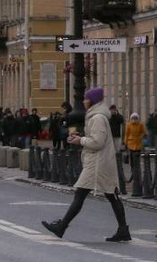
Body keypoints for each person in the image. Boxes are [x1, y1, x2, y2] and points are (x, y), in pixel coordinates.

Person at [41, 87, 131, 242]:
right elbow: (96, 138)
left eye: (86, 98)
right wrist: (82, 136)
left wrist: (80, 140)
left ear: (92, 101)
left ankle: (62, 227)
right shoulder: (97, 117)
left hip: (97, 164)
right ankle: (123, 229)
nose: (83, 101)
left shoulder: (97, 118)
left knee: (81, 194)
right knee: (111, 195)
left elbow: (97, 142)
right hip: (101, 162)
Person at [124, 112, 146, 179]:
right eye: (133, 118)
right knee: (132, 160)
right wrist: (126, 142)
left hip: (138, 144)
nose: (134, 120)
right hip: (131, 143)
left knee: (137, 159)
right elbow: (126, 134)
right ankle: (132, 172)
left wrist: (140, 137)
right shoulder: (129, 125)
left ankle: (137, 172)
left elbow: (143, 132)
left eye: (135, 118)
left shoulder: (140, 124)